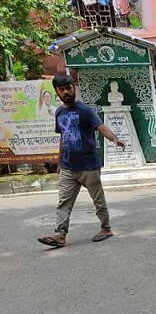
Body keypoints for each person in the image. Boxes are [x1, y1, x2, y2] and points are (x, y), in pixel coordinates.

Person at [38, 74, 125, 248]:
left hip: (89, 166)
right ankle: (60, 235)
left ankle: (106, 228)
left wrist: (114, 139)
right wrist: (59, 160)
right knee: (64, 202)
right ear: (57, 91)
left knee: (98, 200)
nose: (66, 92)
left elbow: (101, 127)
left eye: (68, 88)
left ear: (74, 88)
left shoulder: (85, 111)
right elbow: (63, 137)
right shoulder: (59, 112)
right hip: (68, 167)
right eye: (61, 89)